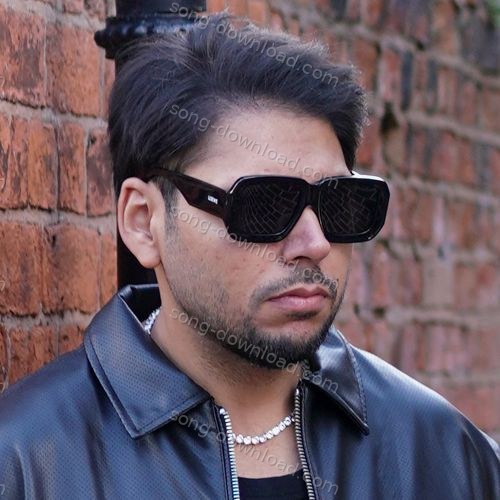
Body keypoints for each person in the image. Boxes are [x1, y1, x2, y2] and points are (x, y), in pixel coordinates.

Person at [0, 13, 498, 500]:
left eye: (339, 205)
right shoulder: (30, 462)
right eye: (264, 206)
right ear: (143, 221)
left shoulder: (439, 451)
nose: (316, 244)